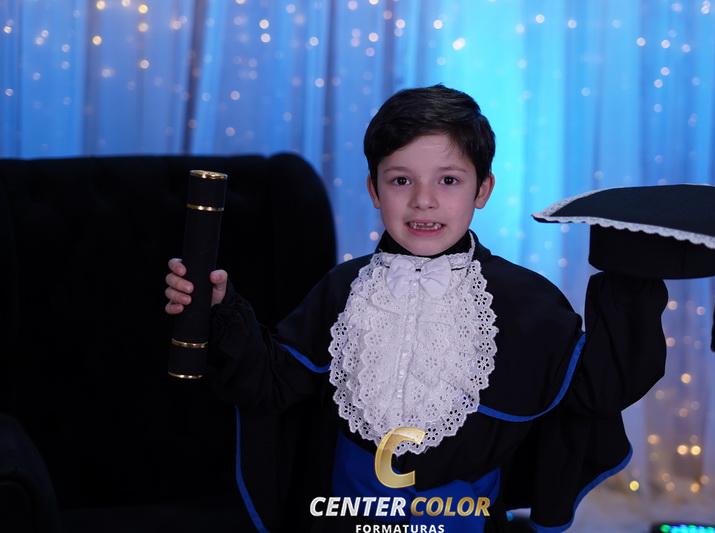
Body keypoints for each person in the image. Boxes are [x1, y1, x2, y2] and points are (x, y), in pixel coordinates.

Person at [164, 85, 667, 532]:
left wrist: (633, 277)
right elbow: (271, 383)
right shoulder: (343, 289)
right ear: (374, 190)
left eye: (448, 180)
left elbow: (598, 389)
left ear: (483, 189)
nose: (423, 201)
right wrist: (221, 309)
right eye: (401, 181)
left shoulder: (525, 300)